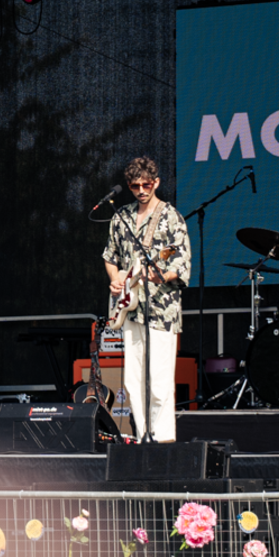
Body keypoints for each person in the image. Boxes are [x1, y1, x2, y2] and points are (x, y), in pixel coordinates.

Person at [101, 156, 191, 442]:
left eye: (147, 184)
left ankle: (162, 439)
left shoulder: (171, 216)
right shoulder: (121, 217)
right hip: (131, 308)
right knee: (133, 379)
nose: (141, 190)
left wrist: (161, 276)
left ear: (157, 183)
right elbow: (109, 256)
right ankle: (142, 436)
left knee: (159, 380)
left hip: (162, 309)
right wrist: (115, 279)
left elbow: (181, 263)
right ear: (129, 186)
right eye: (135, 185)